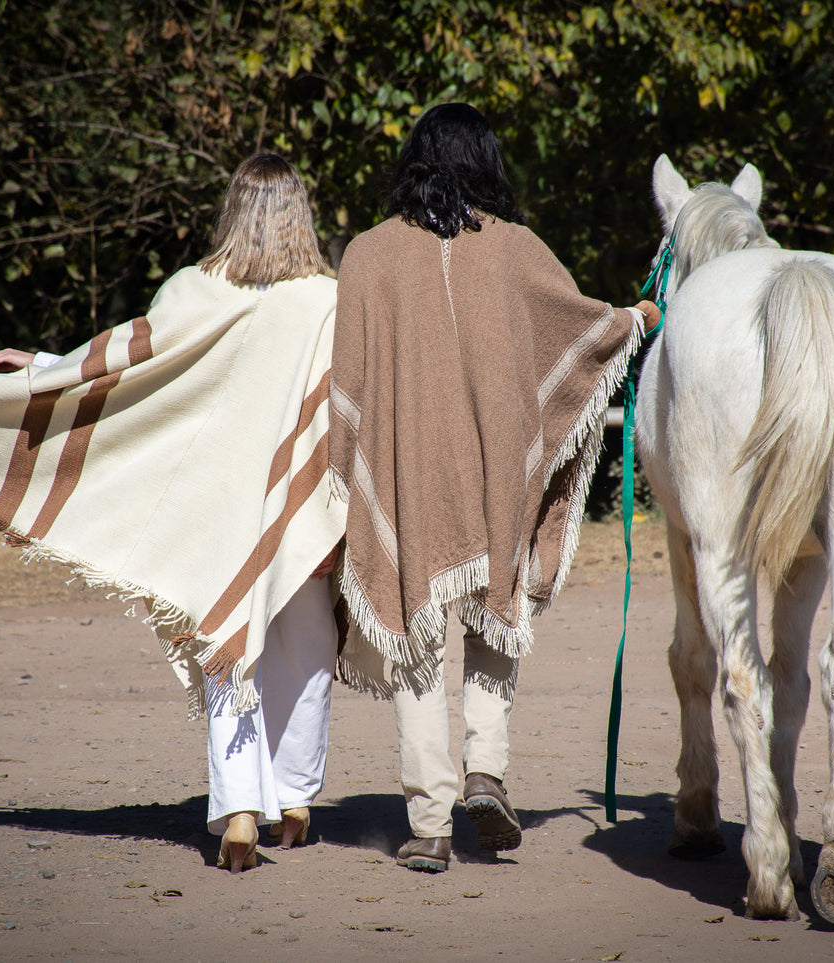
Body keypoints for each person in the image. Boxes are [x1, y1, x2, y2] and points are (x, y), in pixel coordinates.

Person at [0, 153, 345, 874]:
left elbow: (130, 368)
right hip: (299, 507)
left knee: (225, 648)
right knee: (305, 646)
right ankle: (297, 797)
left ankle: (241, 806)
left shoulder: (194, 289)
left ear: (233, 211)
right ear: (300, 215)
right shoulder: (328, 300)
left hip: (215, 510)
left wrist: (48, 367)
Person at [328, 103, 661, 872]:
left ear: (413, 161)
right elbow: (576, 328)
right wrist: (633, 317)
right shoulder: (516, 249)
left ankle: (428, 822)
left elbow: (345, 380)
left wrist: (338, 472)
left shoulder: (368, 256)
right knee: (492, 616)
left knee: (413, 630)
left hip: (407, 471)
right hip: (495, 471)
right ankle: (486, 768)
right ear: (486, 162)